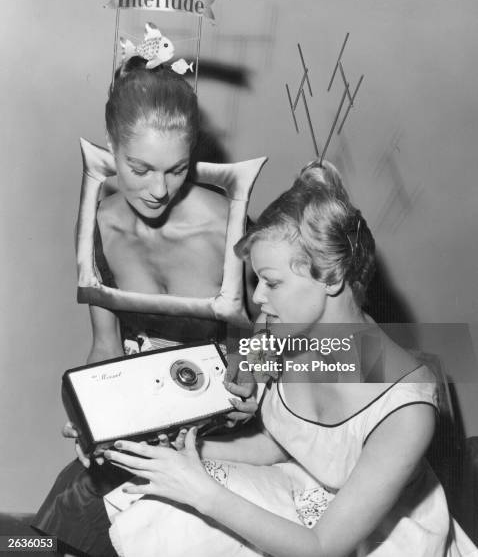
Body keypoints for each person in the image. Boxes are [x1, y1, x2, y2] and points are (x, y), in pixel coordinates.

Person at [101, 160, 477, 557]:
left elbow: (323, 547)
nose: (258, 297)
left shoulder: (408, 409)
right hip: (302, 491)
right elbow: (278, 442)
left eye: (272, 282)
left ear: (332, 277)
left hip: (369, 539)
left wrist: (200, 490)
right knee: (164, 510)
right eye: (258, 279)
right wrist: (168, 448)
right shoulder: (278, 330)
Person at [32, 55, 257, 557]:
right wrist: (96, 413)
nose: (159, 190)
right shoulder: (95, 225)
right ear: (112, 149)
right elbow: (105, 347)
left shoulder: (229, 229)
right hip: (142, 414)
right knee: (54, 533)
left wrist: (249, 386)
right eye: (140, 169)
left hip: (223, 421)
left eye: (177, 170)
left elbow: (260, 344)